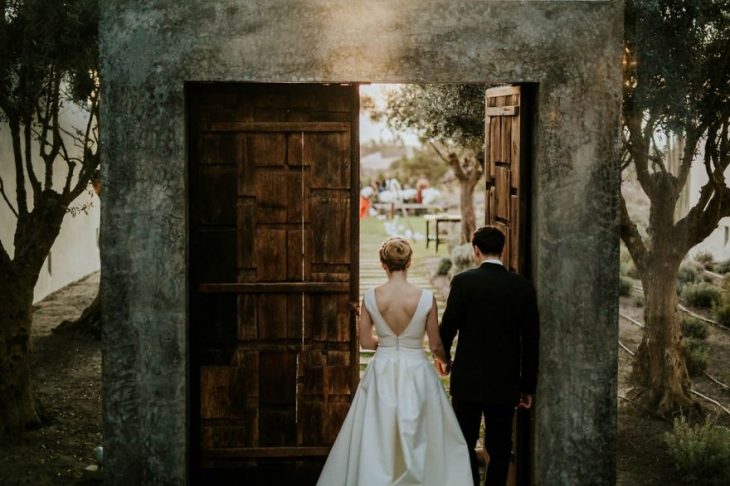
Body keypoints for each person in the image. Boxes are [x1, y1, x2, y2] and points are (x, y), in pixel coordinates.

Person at [317, 237, 473, 486]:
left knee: (379, 430)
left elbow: (366, 342)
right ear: (409, 262)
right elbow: (435, 344)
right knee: (422, 430)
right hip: (417, 370)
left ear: (383, 264)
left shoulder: (370, 298)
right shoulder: (425, 298)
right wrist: (445, 362)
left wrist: (388, 343)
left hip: (382, 369)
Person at [438, 226, 540, 486]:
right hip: (505, 382)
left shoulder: (463, 282)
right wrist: (528, 385)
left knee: (464, 442)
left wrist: (444, 359)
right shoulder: (522, 287)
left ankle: (470, 482)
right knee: (501, 446)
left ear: (476, 251)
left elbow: (447, 328)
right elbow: (531, 340)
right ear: (502, 250)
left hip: (467, 380)